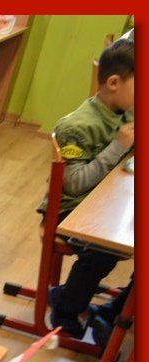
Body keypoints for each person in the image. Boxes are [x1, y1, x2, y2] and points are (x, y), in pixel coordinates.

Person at [44, 38, 134, 344]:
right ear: (114, 83)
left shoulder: (125, 112)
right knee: (104, 252)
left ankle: (115, 311)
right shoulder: (77, 126)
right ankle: (66, 307)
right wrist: (117, 146)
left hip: (108, 202)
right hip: (71, 210)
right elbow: (74, 184)